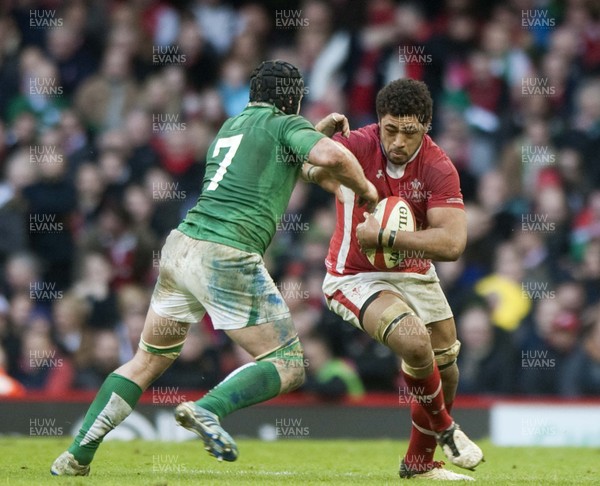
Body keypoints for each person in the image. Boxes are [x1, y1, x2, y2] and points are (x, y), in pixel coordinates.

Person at [51, 60, 378, 476]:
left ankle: (77, 455)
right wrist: (366, 189)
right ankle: (208, 409)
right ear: (292, 99)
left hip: (180, 249)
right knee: (289, 364)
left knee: (146, 360)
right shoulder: (282, 124)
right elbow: (329, 156)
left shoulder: (231, 128)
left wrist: (311, 133)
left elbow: (308, 167)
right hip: (227, 253)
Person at [310, 79, 484, 480]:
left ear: (426, 126)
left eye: (410, 132)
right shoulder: (358, 144)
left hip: (414, 273)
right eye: (390, 129)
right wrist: (313, 138)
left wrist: (386, 236)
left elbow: (454, 242)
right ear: (379, 122)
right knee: (412, 339)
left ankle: (419, 465)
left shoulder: (439, 167)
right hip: (353, 274)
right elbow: (305, 168)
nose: (398, 142)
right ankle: (447, 429)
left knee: (448, 366)